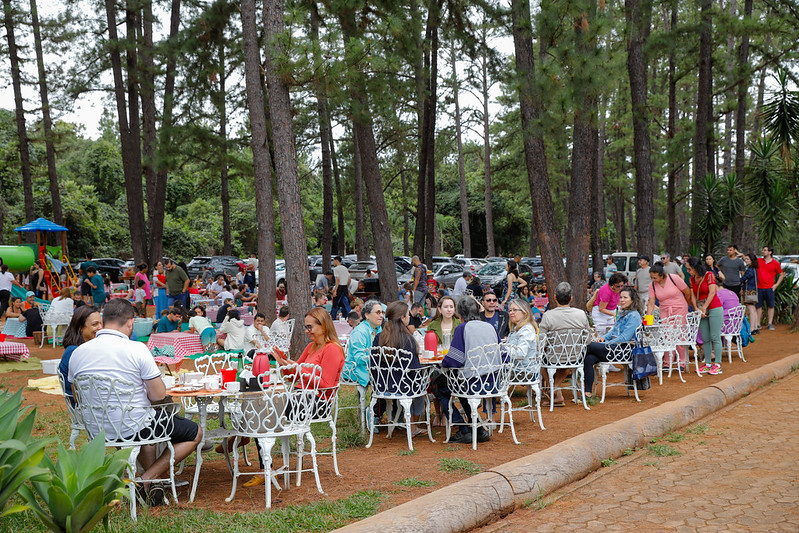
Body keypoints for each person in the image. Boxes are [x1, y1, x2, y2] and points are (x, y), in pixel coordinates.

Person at [68, 299, 202, 505]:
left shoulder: (78, 353)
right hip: (133, 427)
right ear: (130, 323)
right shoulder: (137, 349)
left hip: (97, 430)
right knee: (195, 433)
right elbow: (158, 396)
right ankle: (145, 479)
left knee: (148, 420)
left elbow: (77, 397)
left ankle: (150, 483)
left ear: (104, 322)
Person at [435, 295, 501, 444]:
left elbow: (454, 361)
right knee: (458, 386)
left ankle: (463, 428)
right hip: (494, 381)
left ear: (459, 313)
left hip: (473, 383)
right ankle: (478, 428)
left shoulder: (462, 328)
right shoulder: (489, 326)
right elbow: (503, 354)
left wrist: (443, 362)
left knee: (440, 387)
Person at [372, 301, 425, 436]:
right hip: (404, 387)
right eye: (407, 314)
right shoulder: (408, 340)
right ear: (402, 317)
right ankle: (413, 427)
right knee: (419, 391)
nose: (409, 317)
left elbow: (373, 365)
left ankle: (398, 420)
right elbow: (414, 370)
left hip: (382, 386)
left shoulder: (379, 337)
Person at [583, 288, 643, 397]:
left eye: (625, 297)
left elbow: (625, 337)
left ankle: (569, 369)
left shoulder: (634, 315)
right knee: (589, 359)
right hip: (614, 348)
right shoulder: (622, 313)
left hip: (624, 350)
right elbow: (613, 331)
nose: (622, 300)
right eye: (621, 297)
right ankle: (587, 393)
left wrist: (605, 344)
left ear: (633, 300)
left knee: (587, 346)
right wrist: (604, 338)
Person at [538, 282, 591, 406]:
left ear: (555, 297)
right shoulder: (581, 314)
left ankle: (554, 388)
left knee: (541, 362)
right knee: (566, 358)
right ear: (571, 298)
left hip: (553, 357)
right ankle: (558, 393)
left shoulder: (548, 316)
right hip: (575, 357)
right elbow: (587, 340)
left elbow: (541, 343)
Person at [342, 300, 384, 431]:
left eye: (382, 312)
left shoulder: (379, 329)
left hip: (373, 368)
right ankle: (373, 413)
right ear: (366, 315)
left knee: (393, 376)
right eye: (377, 312)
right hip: (355, 369)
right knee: (385, 380)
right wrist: (379, 360)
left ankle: (391, 415)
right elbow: (359, 358)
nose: (381, 316)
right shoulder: (359, 332)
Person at [647, 262, 690, 368]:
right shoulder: (652, 285)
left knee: (678, 334)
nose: (653, 279)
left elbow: (687, 292)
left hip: (680, 308)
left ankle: (682, 361)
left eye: (655, 277)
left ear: (662, 275)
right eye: (651, 277)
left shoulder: (674, 278)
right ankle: (668, 361)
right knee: (666, 334)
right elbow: (651, 303)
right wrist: (648, 319)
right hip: (665, 310)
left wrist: (685, 306)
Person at [686, 256, 723, 375]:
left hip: (714, 307)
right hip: (701, 309)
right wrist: (696, 308)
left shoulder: (709, 275)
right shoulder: (692, 279)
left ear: (695, 267)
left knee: (715, 336)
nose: (688, 271)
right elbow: (693, 295)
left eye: (689, 269)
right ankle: (707, 363)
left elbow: (712, 292)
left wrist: (705, 307)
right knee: (705, 338)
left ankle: (717, 364)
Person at [58, 305, 102, 398]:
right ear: (80, 327)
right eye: (95, 324)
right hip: (85, 405)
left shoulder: (87, 347)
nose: (100, 327)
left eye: (101, 323)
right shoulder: (74, 351)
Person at [756, 246, 785, 331]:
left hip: (770, 288)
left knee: (771, 306)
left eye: (765, 250)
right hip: (759, 287)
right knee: (758, 306)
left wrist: (776, 285)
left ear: (770, 252)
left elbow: (781, 274)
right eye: (763, 250)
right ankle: (758, 324)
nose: (763, 251)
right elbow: (749, 260)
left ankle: (770, 323)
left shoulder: (775, 263)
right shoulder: (759, 261)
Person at [741, 253, 760, 333]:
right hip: (754, 290)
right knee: (753, 309)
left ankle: (752, 328)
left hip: (749, 291)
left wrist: (741, 281)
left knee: (751, 309)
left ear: (752, 261)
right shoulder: (754, 269)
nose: (746, 260)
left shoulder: (749, 270)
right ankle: (755, 327)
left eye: (748, 259)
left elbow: (743, 279)